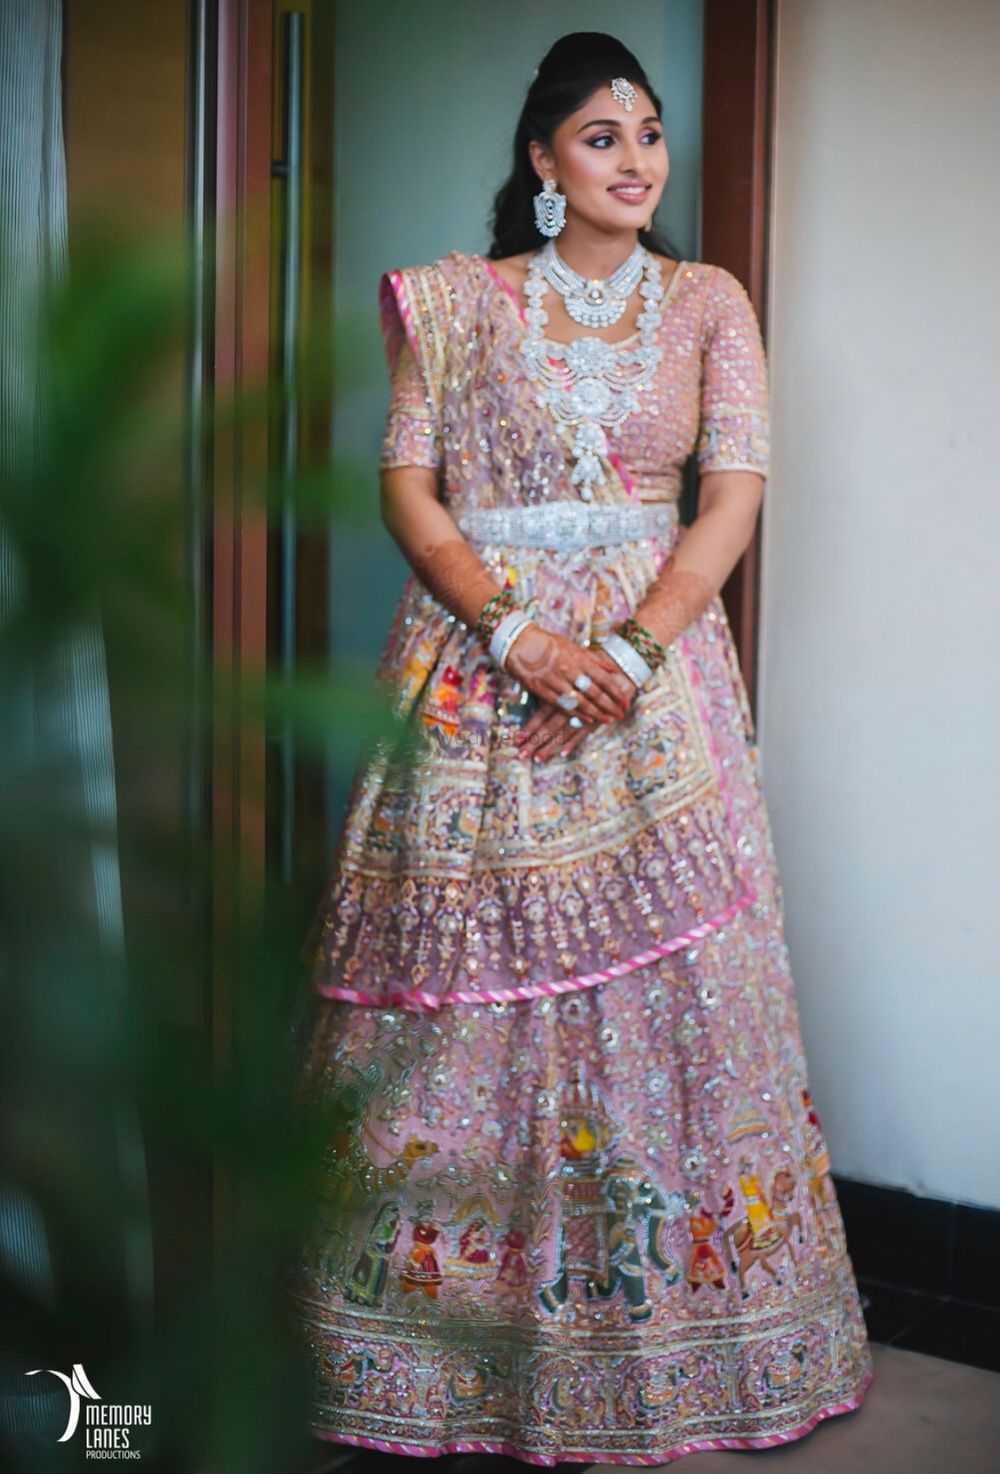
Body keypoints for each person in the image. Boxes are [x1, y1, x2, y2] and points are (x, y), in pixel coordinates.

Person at [286, 30, 873, 1469]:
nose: (637, 161)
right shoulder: (455, 303)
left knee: (688, 998)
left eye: (651, 135)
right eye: (602, 136)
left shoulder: (706, 302)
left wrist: (624, 648)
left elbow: (728, 499)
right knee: (454, 986)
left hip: (655, 693)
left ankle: (673, 1344)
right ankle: (430, 1353)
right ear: (542, 159)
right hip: (476, 683)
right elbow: (408, 491)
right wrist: (511, 633)